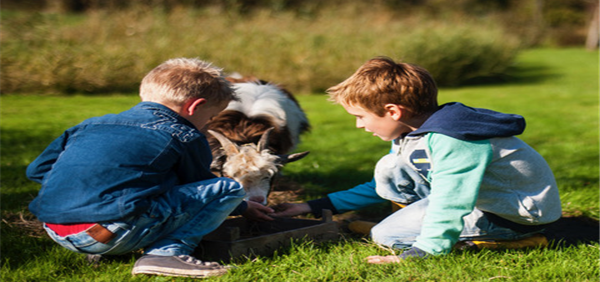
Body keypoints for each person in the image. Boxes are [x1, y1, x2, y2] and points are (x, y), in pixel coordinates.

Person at [273, 56, 561, 263]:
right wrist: (308, 205)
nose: (359, 125)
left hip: (515, 216)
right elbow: (382, 185)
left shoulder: (455, 140)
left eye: (361, 117)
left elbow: (452, 200)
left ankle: (517, 241)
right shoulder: (411, 134)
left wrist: (424, 251)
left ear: (393, 111)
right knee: (391, 169)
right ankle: (409, 226)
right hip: (481, 199)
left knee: (387, 236)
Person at [26, 58, 275, 278]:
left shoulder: (90, 125)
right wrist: (242, 206)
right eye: (210, 117)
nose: (206, 124)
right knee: (228, 187)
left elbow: (37, 170)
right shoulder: (186, 136)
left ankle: (108, 245)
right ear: (194, 106)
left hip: (57, 230)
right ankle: (167, 253)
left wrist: (88, 190)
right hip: (114, 233)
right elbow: (202, 189)